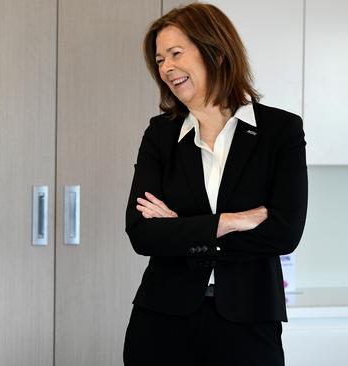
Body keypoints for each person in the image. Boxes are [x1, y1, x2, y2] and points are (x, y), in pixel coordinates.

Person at [123, 4, 307, 365]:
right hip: (161, 320)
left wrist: (182, 231)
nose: (166, 68)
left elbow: (284, 233)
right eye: (160, 60)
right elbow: (142, 233)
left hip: (249, 320)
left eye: (176, 53)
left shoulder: (280, 131)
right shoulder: (161, 134)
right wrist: (229, 222)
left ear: (217, 52)